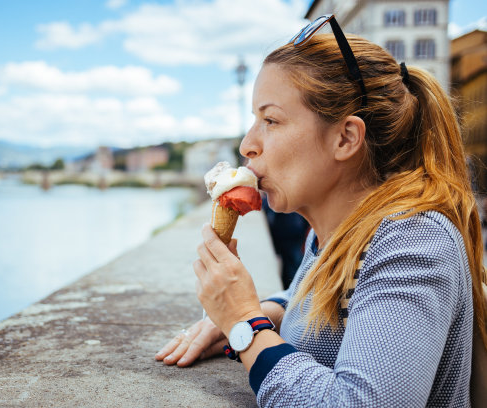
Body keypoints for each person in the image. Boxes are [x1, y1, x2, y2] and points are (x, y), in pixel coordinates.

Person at [155, 14, 487, 407]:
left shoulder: (413, 239)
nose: (248, 144)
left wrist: (245, 325)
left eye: (271, 120)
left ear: (345, 138)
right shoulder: (335, 231)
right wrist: (266, 311)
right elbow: (335, 301)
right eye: (254, 120)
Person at [262, 199, 309, 289]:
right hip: (290, 232)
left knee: (293, 267)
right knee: (290, 265)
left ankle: (293, 289)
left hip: (291, 232)